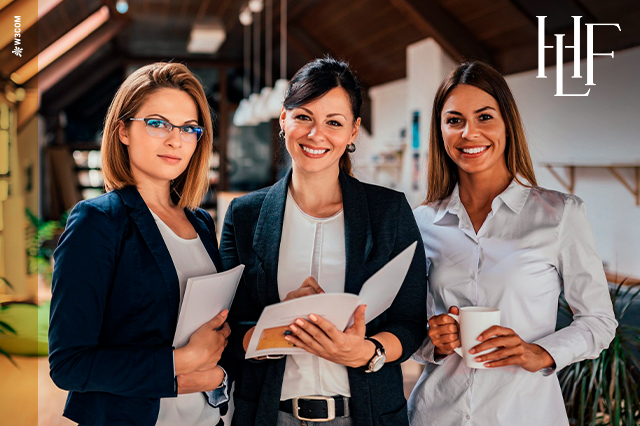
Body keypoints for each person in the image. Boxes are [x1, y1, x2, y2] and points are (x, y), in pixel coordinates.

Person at [219, 57, 427, 426]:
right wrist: (274, 328)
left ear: (353, 132)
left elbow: (411, 323)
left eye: (334, 122)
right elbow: (226, 328)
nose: (317, 134)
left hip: (365, 415)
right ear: (283, 119)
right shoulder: (244, 215)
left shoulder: (389, 211)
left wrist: (366, 352)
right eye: (304, 117)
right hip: (269, 415)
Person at [407, 61, 617, 425]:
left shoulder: (559, 214)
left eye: (484, 117)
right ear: (440, 130)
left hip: (524, 413)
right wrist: (434, 342)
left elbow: (599, 321)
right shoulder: (422, 222)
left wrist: (540, 352)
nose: (469, 133)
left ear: (507, 124)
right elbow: (408, 328)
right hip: (436, 414)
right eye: (454, 120)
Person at [49, 62, 232, 426]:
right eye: (157, 123)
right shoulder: (98, 222)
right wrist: (179, 364)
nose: (174, 139)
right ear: (123, 131)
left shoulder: (200, 222)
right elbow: (69, 365)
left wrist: (219, 375)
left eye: (188, 128)